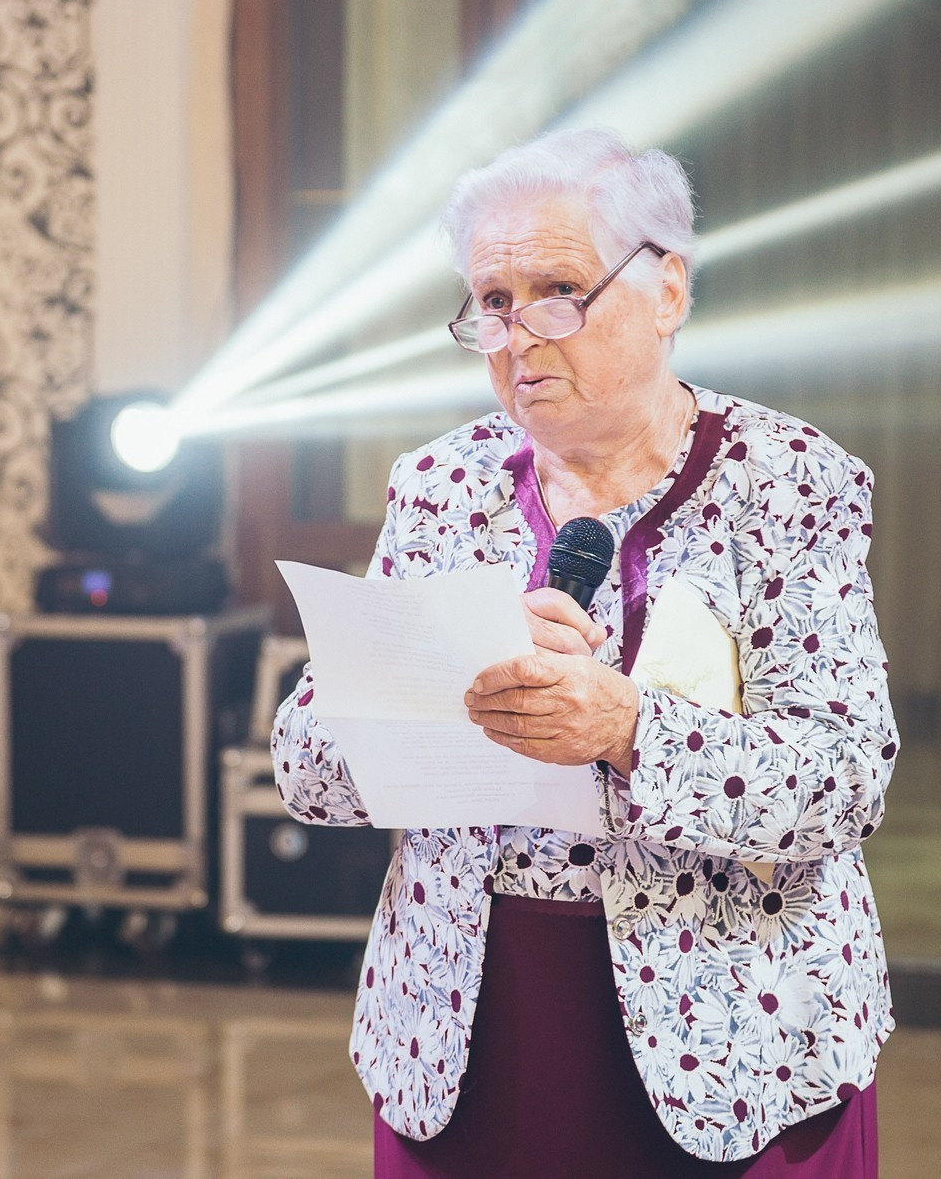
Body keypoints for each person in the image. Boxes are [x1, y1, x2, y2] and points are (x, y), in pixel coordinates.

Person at [271, 128, 896, 1176]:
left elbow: (842, 777)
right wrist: (445, 677)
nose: (520, 335)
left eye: (559, 288)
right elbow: (307, 765)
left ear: (666, 291)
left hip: (733, 1031)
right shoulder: (438, 485)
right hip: (465, 1026)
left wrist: (624, 730)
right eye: (492, 302)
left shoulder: (785, 479)